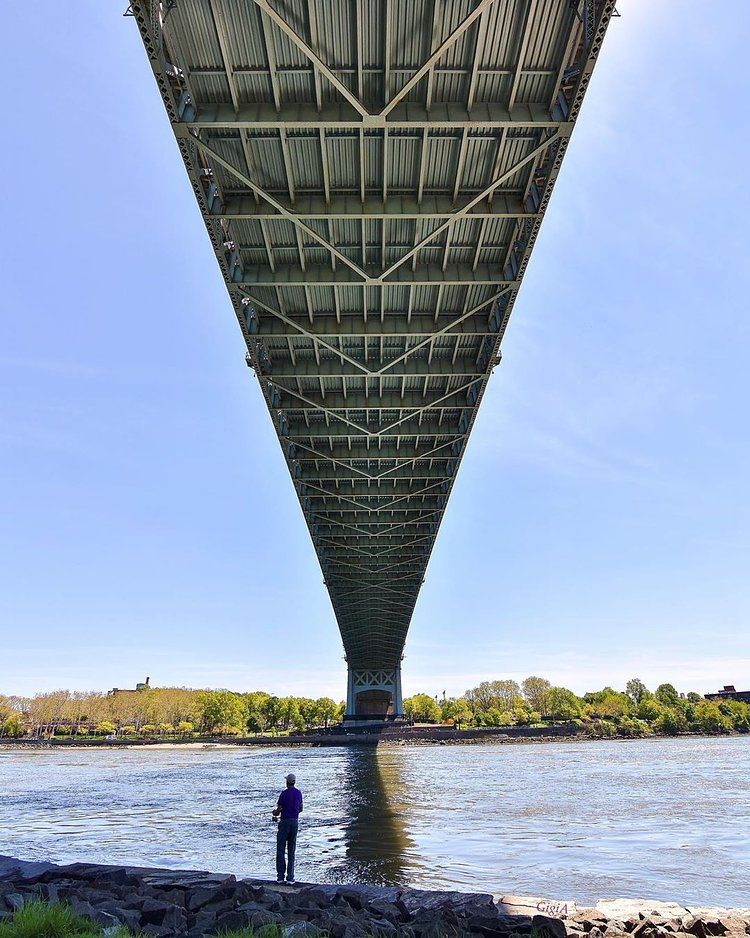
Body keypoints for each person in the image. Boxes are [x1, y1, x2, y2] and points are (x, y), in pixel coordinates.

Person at [272, 772, 303, 884]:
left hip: (284, 822)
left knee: (280, 849)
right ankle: (290, 878)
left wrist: (274, 813)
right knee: (291, 850)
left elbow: (278, 810)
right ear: (294, 782)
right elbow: (301, 809)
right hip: (294, 822)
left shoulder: (284, 794)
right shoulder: (298, 793)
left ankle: (280, 877)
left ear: (287, 782)